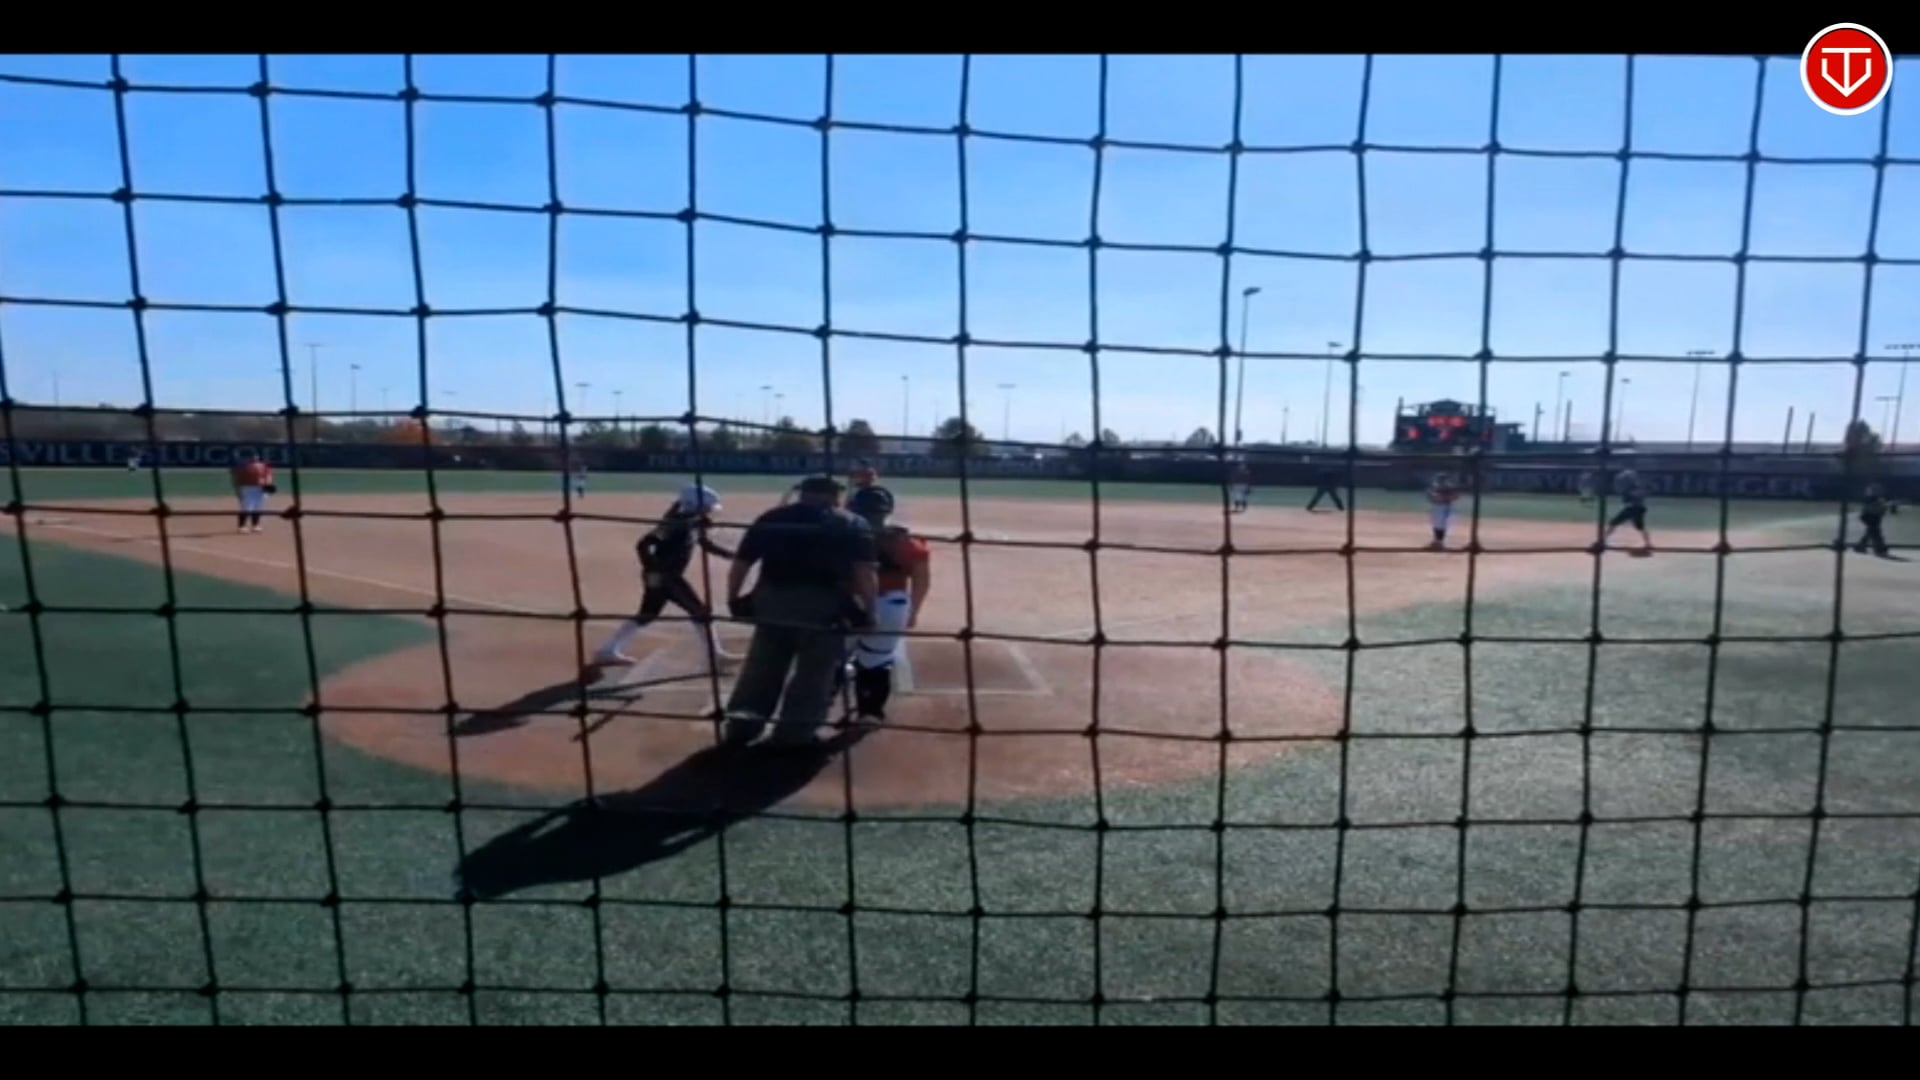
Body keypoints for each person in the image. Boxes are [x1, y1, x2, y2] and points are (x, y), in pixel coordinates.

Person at [720, 476, 878, 749]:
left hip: (773, 600)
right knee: (814, 673)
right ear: (834, 495)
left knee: (762, 666)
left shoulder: (773, 517)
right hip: (824, 605)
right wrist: (870, 611)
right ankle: (795, 734)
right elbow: (864, 573)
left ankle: (741, 726)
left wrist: (733, 598)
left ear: (803, 494)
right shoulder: (852, 523)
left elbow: (742, 562)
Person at [586, 483, 739, 675]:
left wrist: (731, 555)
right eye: (707, 507)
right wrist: (653, 569)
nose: (709, 511)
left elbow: (705, 544)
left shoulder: (692, 522)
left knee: (648, 613)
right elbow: (643, 544)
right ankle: (714, 657)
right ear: (695, 505)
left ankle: (607, 650)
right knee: (700, 612)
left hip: (664, 576)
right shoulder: (676, 523)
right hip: (667, 576)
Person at [844, 488, 930, 725]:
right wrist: (914, 611)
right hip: (892, 606)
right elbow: (921, 581)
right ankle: (870, 713)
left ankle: (817, 710)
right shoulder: (909, 543)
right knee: (876, 661)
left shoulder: (845, 537)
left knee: (831, 658)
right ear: (887, 511)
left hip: (851, 603)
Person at [1602, 469, 1653, 555]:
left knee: (1614, 523)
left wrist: (1633, 493)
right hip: (1634, 509)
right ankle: (1648, 544)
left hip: (1634, 509)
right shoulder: (1629, 488)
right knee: (1640, 527)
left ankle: (1603, 541)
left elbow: (1639, 495)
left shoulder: (1634, 487)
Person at [230, 449, 274, 534]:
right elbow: (235, 477)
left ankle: (256, 525)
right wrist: (237, 489)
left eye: (256, 455)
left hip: (261, 488)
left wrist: (269, 484)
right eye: (252, 456)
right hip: (247, 488)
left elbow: (268, 475)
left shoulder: (264, 465)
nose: (254, 457)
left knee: (258, 507)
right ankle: (242, 526)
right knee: (246, 507)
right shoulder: (241, 466)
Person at [1854, 484, 1893, 557]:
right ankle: (1879, 548)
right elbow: (1879, 510)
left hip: (1871, 517)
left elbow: (1870, 509)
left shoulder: (1873, 500)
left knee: (1871, 531)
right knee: (1875, 532)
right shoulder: (1876, 500)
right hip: (1872, 517)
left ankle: (1861, 546)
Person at [1426, 471, 1459, 550]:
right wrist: (1434, 497)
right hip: (1436, 507)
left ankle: (1440, 542)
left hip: (1445, 508)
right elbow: (1429, 496)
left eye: (1442, 479)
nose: (1441, 480)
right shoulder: (1434, 486)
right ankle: (1436, 541)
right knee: (1436, 524)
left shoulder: (1449, 487)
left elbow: (1455, 496)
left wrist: (1445, 498)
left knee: (1441, 525)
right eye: (1440, 479)